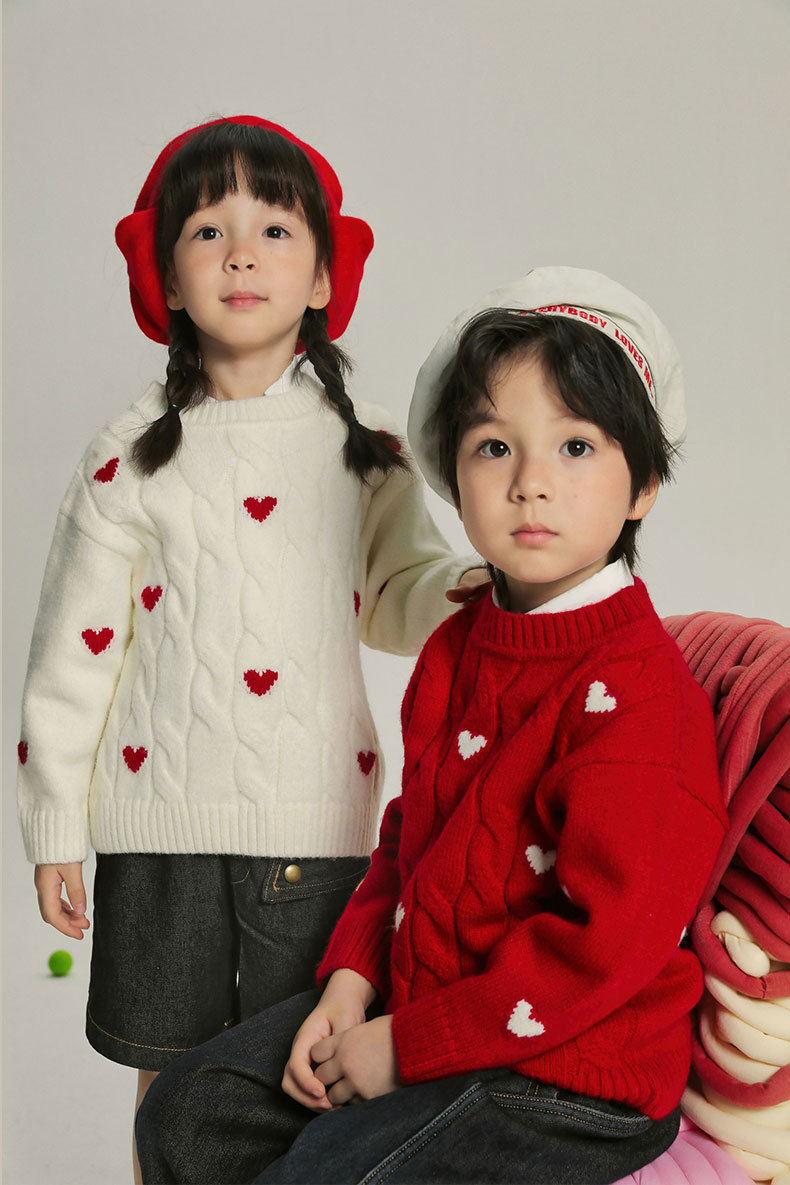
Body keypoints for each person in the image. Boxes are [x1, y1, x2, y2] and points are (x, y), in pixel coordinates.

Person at [135, 266, 729, 1185]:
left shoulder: (640, 697)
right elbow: (412, 837)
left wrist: (407, 1047)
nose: (531, 483)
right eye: (495, 448)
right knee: (189, 1109)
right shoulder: (458, 647)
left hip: (570, 1070)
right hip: (428, 1006)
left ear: (643, 483)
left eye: (576, 446)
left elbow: (603, 946)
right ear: (454, 473)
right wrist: (351, 983)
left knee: (330, 1169)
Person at [15, 115, 482, 1182]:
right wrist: (54, 824)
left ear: (321, 276)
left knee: (305, 1079)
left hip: (315, 826)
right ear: (166, 281)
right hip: (158, 833)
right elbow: (76, 651)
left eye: (274, 229)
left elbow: (395, 595)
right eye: (207, 231)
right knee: (170, 1083)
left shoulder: (362, 447)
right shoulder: (127, 458)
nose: (239, 254)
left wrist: (463, 587)